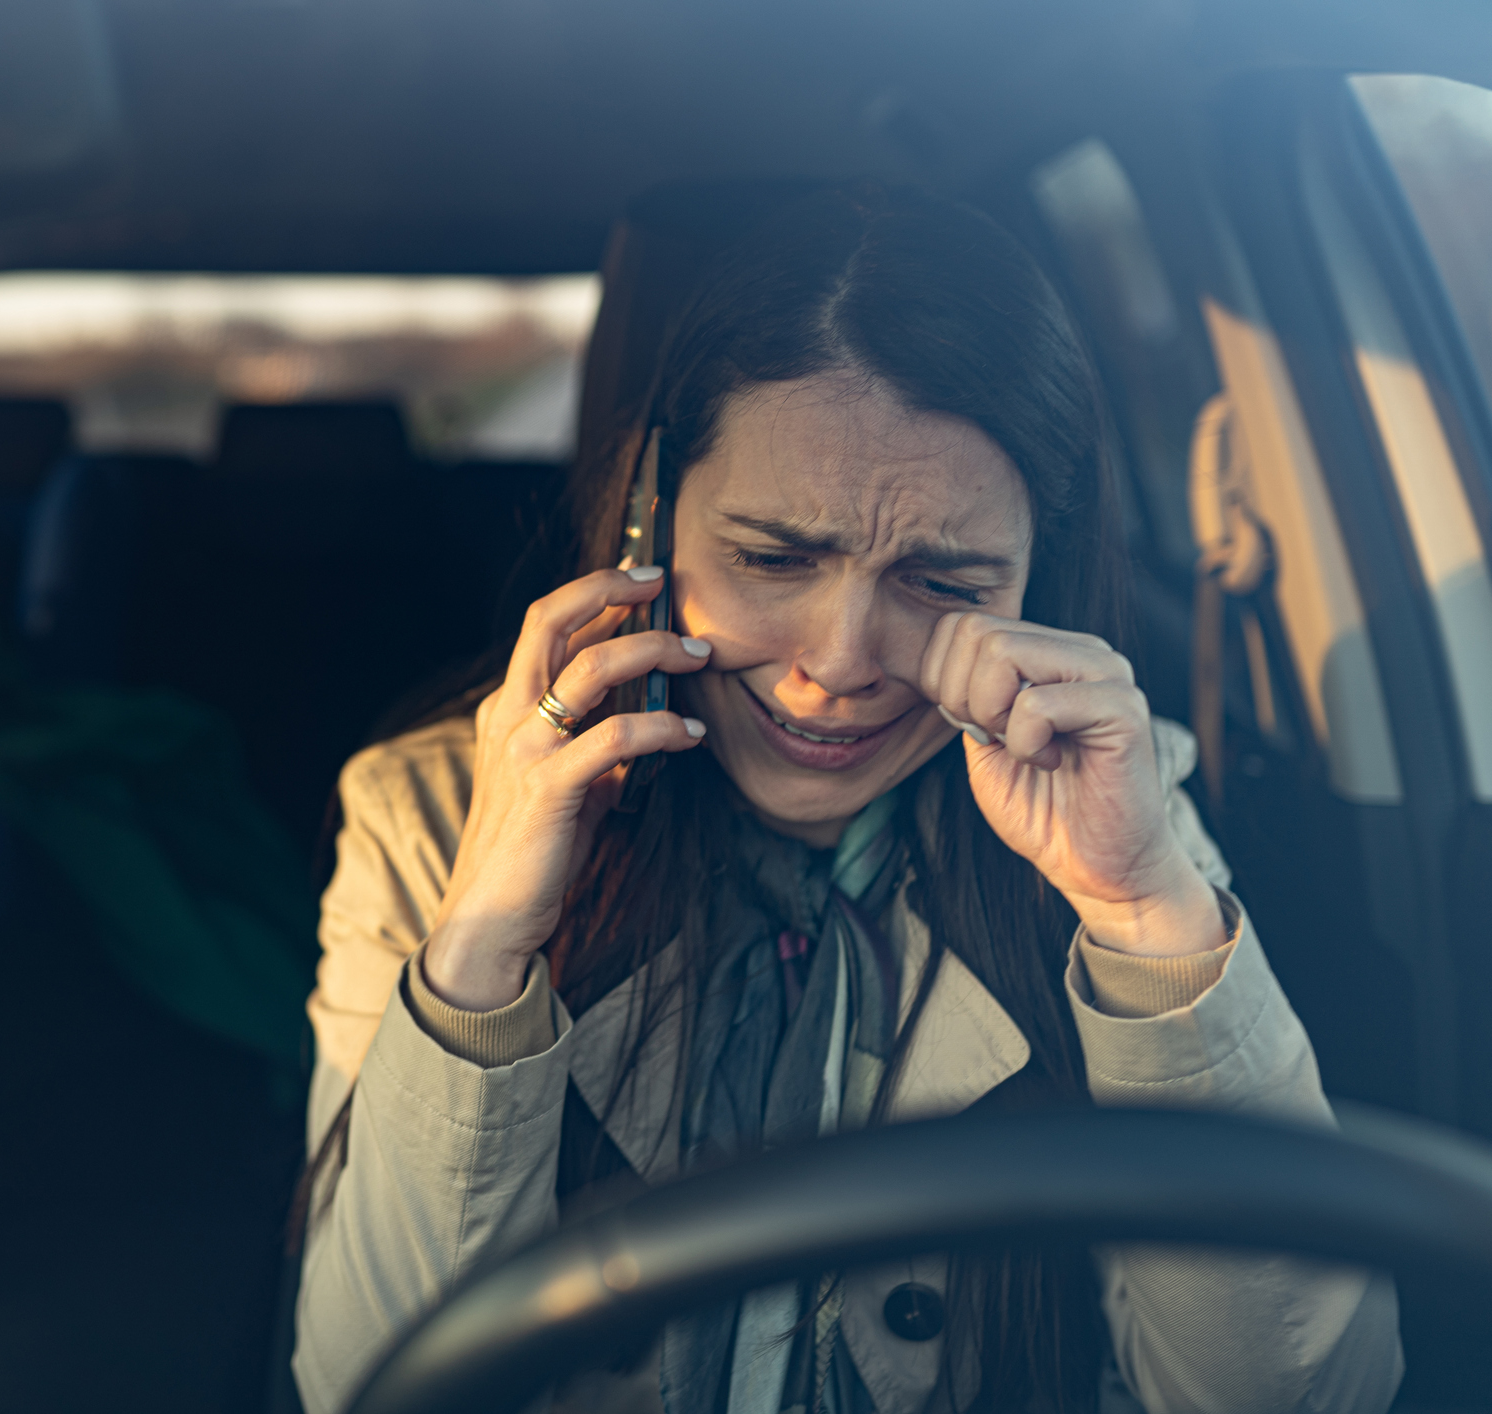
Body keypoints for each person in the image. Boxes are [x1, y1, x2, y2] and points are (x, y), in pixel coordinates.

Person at [290, 185, 1403, 1414]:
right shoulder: (429, 818)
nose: (839, 663)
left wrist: (1146, 921)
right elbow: (364, 1388)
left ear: (1034, 581)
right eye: (773, 557)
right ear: (652, 516)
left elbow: (1298, 1401)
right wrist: (482, 952)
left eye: (943, 583)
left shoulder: (1125, 829)